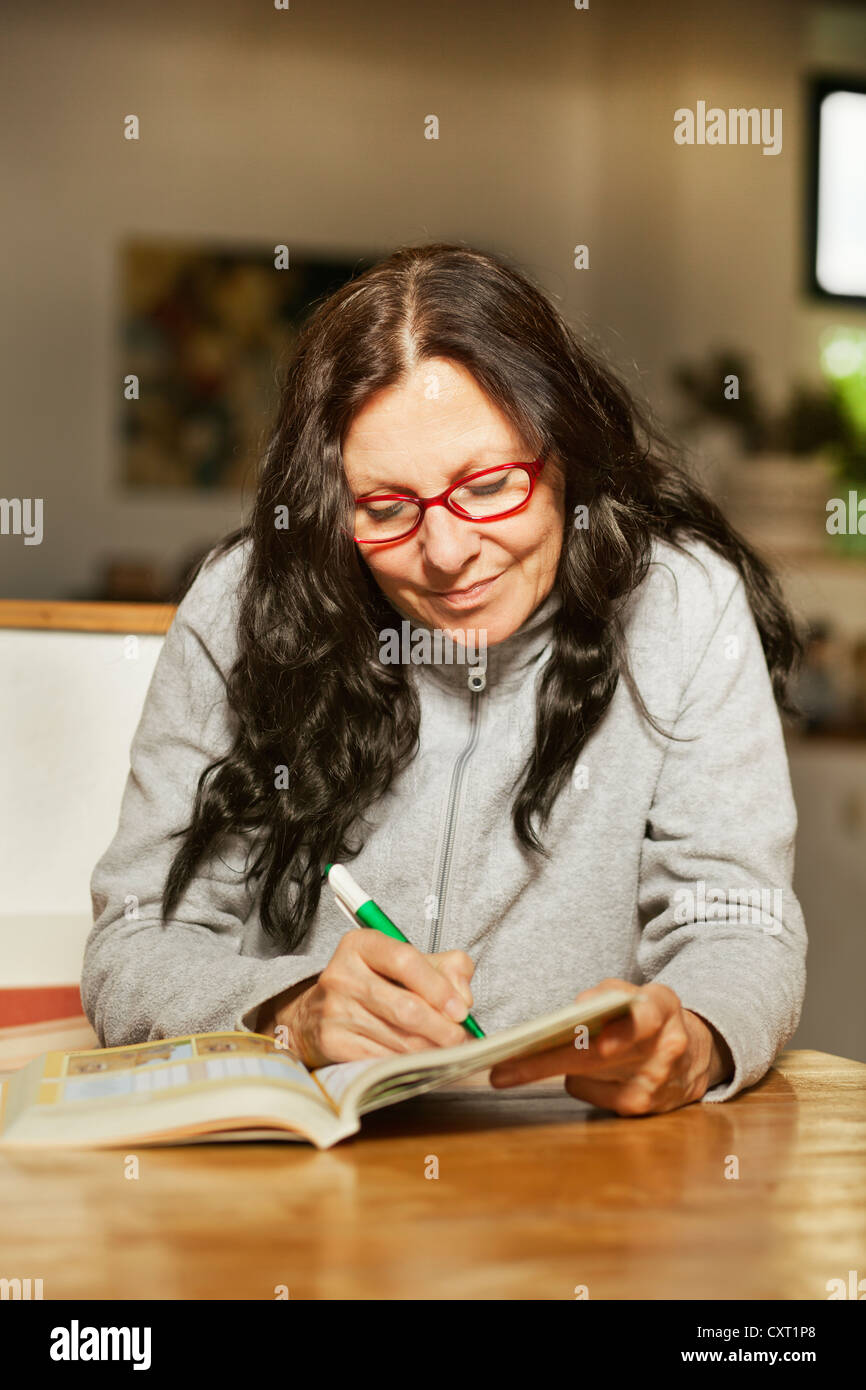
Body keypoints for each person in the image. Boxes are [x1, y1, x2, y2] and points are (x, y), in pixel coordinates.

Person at [84, 242, 807, 1115]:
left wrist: (690, 1039)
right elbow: (133, 941)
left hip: (586, 1167)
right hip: (301, 1186)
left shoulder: (684, 606)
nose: (448, 551)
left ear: (566, 455)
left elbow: (738, 920)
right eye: (386, 509)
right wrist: (293, 1015)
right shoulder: (245, 604)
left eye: (491, 486)